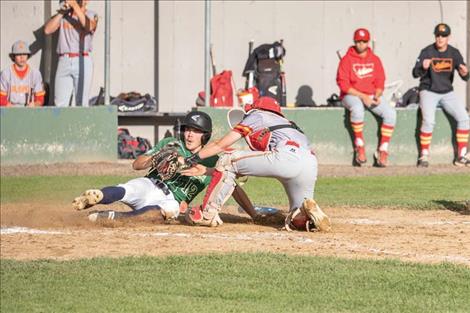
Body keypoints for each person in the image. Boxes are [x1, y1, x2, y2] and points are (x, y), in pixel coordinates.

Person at [72, 111, 259, 222]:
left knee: (171, 209)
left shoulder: (212, 161)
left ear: (205, 135)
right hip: (151, 184)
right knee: (128, 188)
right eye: (187, 129)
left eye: (195, 131)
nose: (189, 134)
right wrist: (156, 158)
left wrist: (254, 215)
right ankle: (98, 196)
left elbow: (232, 188)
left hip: (172, 200)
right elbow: (136, 165)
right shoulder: (171, 143)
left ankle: (111, 217)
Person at [181, 96, 331, 232]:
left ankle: (207, 214)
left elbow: (221, 146)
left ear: (257, 108)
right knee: (295, 218)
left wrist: (191, 159)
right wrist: (206, 170)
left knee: (228, 158)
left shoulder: (258, 115)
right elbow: (233, 172)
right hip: (310, 163)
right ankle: (307, 216)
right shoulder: (289, 124)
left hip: (287, 156)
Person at [336, 28, 396, 167]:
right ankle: (359, 146)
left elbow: (380, 80)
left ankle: (383, 150)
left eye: (364, 41)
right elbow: (343, 84)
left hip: (370, 95)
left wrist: (378, 93)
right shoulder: (346, 59)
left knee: (390, 113)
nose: (361, 44)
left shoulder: (374, 59)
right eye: (358, 41)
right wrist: (363, 96)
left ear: (368, 42)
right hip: (351, 95)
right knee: (357, 109)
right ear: (354, 42)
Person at [412, 23, 470, 167]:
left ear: (448, 37)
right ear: (435, 36)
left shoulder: (454, 53)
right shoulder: (427, 51)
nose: (440, 38)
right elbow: (414, 73)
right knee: (429, 121)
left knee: (464, 118)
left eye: (443, 36)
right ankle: (424, 156)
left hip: (447, 92)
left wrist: (466, 73)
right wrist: (422, 67)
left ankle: (461, 156)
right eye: (438, 35)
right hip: (428, 90)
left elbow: (465, 75)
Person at [44, 0, 98, 107]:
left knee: (81, 102)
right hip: (64, 59)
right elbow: (47, 30)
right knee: (59, 103)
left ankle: (81, 124)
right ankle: (61, 124)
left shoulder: (92, 14)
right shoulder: (64, 15)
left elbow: (89, 26)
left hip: (82, 59)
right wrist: (62, 12)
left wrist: (74, 5)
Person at [0, 40, 45, 107]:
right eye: (18, 54)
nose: (22, 57)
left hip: (29, 110)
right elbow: (1, 98)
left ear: (28, 56)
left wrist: (35, 104)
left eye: (24, 54)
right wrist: (6, 104)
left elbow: (40, 98)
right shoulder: (6, 73)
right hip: (10, 110)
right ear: (13, 56)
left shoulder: (35, 73)